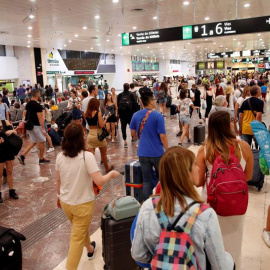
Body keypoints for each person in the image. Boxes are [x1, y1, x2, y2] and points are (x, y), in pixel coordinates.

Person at [131, 146, 235, 270]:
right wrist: (229, 258)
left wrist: (164, 260)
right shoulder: (205, 214)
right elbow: (221, 267)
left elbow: (138, 254)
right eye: (195, 165)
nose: (198, 168)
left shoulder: (148, 207)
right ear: (186, 174)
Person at [56, 123, 120, 270]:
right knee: (76, 239)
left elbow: (58, 180)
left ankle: (90, 249)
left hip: (66, 203)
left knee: (79, 228)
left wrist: (58, 196)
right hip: (82, 204)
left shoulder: (60, 156)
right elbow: (99, 181)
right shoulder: (87, 157)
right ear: (81, 138)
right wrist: (111, 174)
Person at [196, 111, 253, 268]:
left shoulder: (205, 150)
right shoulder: (244, 147)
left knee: (210, 245)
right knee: (234, 242)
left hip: (211, 204)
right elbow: (247, 177)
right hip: (236, 203)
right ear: (227, 125)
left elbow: (199, 181)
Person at [130, 91, 168, 201]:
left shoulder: (135, 115)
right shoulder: (157, 116)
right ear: (150, 102)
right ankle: (162, 200)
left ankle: (147, 204)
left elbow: (133, 134)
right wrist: (168, 149)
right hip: (157, 153)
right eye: (155, 100)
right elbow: (163, 136)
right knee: (162, 179)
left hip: (142, 152)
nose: (156, 102)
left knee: (147, 180)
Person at [18, 90, 50, 165]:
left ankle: (22, 155)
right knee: (42, 141)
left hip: (29, 125)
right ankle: (41, 158)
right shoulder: (37, 105)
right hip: (36, 125)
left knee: (34, 141)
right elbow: (40, 118)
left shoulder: (28, 104)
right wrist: (43, 128)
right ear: (38, 94)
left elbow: (24, 113)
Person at [85, 98, 113, 173]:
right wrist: (106, 119)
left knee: (90, 156)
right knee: (103, 154)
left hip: (90, 135)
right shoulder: (98, 113)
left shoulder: (87, 113)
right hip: (98, 134)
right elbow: (101, 125)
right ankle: (107, 168)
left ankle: (90, 170)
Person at [0, 119, 19, 203]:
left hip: (9, 149)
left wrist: (12, 131)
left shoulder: (5, 122)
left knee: (10, 171)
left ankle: (11, 190)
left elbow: (15, 133)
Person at [117, 83, 137, 148]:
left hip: (122, 115)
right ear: (129, 88)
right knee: (131, 127)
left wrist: (119, 113)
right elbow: (134, 105)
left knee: (123, 127)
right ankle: (132, 138)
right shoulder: (131, 95)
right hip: (130, 114)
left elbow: (118, 105)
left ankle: (125, 141)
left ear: (123, 87)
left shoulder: (120, 95)